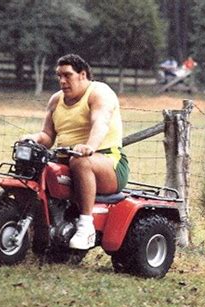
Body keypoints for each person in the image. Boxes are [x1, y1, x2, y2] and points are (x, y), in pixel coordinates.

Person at [22, 54, 129, 250]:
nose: (62, 81)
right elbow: (47, 135)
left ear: (82, 75)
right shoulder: (56, 100)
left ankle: (86, 227)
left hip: (107, 162)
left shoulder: (99, 93)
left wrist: (89, 146)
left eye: (67, 75)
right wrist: (34, 138)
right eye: (59, 76)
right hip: (68, 160)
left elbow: (101, 122)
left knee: (80, 162)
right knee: (31, 160)